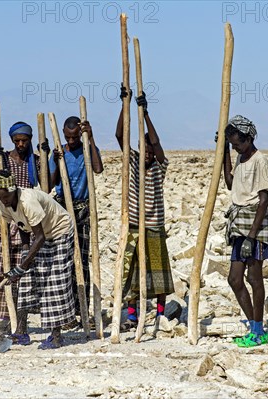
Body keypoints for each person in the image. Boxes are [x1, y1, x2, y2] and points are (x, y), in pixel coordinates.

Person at [0, 170, 76, 349]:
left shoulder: (27, 201)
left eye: (6, 196)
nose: (3, 200)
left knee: (53, 281)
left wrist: (22, 266)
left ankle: (56, 335)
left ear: (13, 190)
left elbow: (40, 236)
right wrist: (26, 252)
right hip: (38, 235)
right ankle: (21, 332)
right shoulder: (3, 204)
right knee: (26, 281)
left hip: (59, 231)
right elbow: (21, 224)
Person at [115, 86, 174, 330]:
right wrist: (125, 106)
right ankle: (131, 314)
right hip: (134, 226)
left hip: (154, 225)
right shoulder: (134, 161)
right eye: (145, 150)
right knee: (131, 269)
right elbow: (120, 136)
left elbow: (158, 144)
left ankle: (160, 313)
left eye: (150, 151)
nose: (148, 154)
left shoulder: (159, 167)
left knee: (158, 270)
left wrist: (146, 113)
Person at [0, 121, 50, 344]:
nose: (21, 144)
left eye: (25, 141)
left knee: (24, 275)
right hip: (8, 220)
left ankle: (21, 325)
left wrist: (48, 159)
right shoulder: (3, 160)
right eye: (17, 141)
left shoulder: (36, 161)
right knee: (4, 271)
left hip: (30, 220)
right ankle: (1, 321)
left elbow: (46, 187)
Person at [221, 115, 268, 347]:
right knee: (234, 279)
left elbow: (263, 201)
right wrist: (224, 154)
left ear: (249, 139)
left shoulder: (259, 161)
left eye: (237, 144)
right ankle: (254, 326)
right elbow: (231, 183)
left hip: (254, 223)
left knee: (253, 277)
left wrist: (252, 237)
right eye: (232, 145)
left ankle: (259, 330)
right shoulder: (241, 158)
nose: (235, 148)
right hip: (239, 222)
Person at [49, 116, 103, 326]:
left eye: (74, 137)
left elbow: (97, 169)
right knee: (62, 260)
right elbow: (50, 185)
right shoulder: (60, 152)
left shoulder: (87, 151)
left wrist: (91, 139)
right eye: (67, 137)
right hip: (62, 207)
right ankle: (65, 311)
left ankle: (83, 309)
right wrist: (55, 161)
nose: (71, 142)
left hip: (82, 208)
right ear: (63, 133)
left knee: (82, 260)